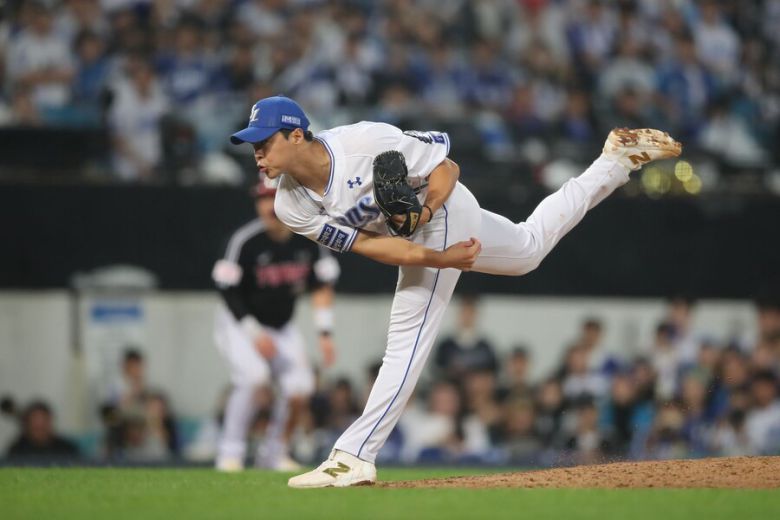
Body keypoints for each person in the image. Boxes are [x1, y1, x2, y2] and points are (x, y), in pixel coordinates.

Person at [228, 95, 682, 487]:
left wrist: (425, 214)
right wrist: (437, 258)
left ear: (296, 136)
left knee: (407, 338)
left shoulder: (362, 142)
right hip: (418, 237)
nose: (257, 154)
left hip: (443, 208)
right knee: (527, 250)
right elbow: (369, 245)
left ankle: (353, 456)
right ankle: (615, 161)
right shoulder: (289, 204)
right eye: (252, 145)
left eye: (264, 142)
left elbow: (447, 168)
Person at [212, 178, 339, 471]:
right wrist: (254, 333)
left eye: (272, 197)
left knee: (300, 387)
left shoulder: (309, 238)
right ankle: (230, 453)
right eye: (262, 199)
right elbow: (226, 289)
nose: (267, 206)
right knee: (253, 377)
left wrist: (325, 332)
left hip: (282, 326)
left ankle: (274, 452)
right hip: (240, 322)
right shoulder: (245, 240)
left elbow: (322, 284)